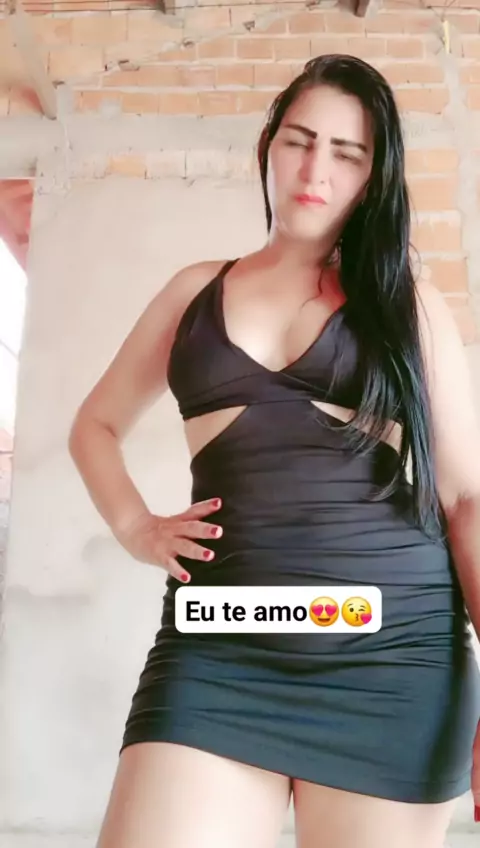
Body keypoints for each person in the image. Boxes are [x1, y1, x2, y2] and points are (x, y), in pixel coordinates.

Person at [69, 54, 480, 848]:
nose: (315, 170)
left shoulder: (405, 302)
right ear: (269, 145)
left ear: (373, 176)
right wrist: (135, 527)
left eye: (347, 153)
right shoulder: (194, 292)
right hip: (217, 655)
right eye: (300, 140)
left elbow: (466, 498)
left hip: (393, 664)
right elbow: (95, 424)